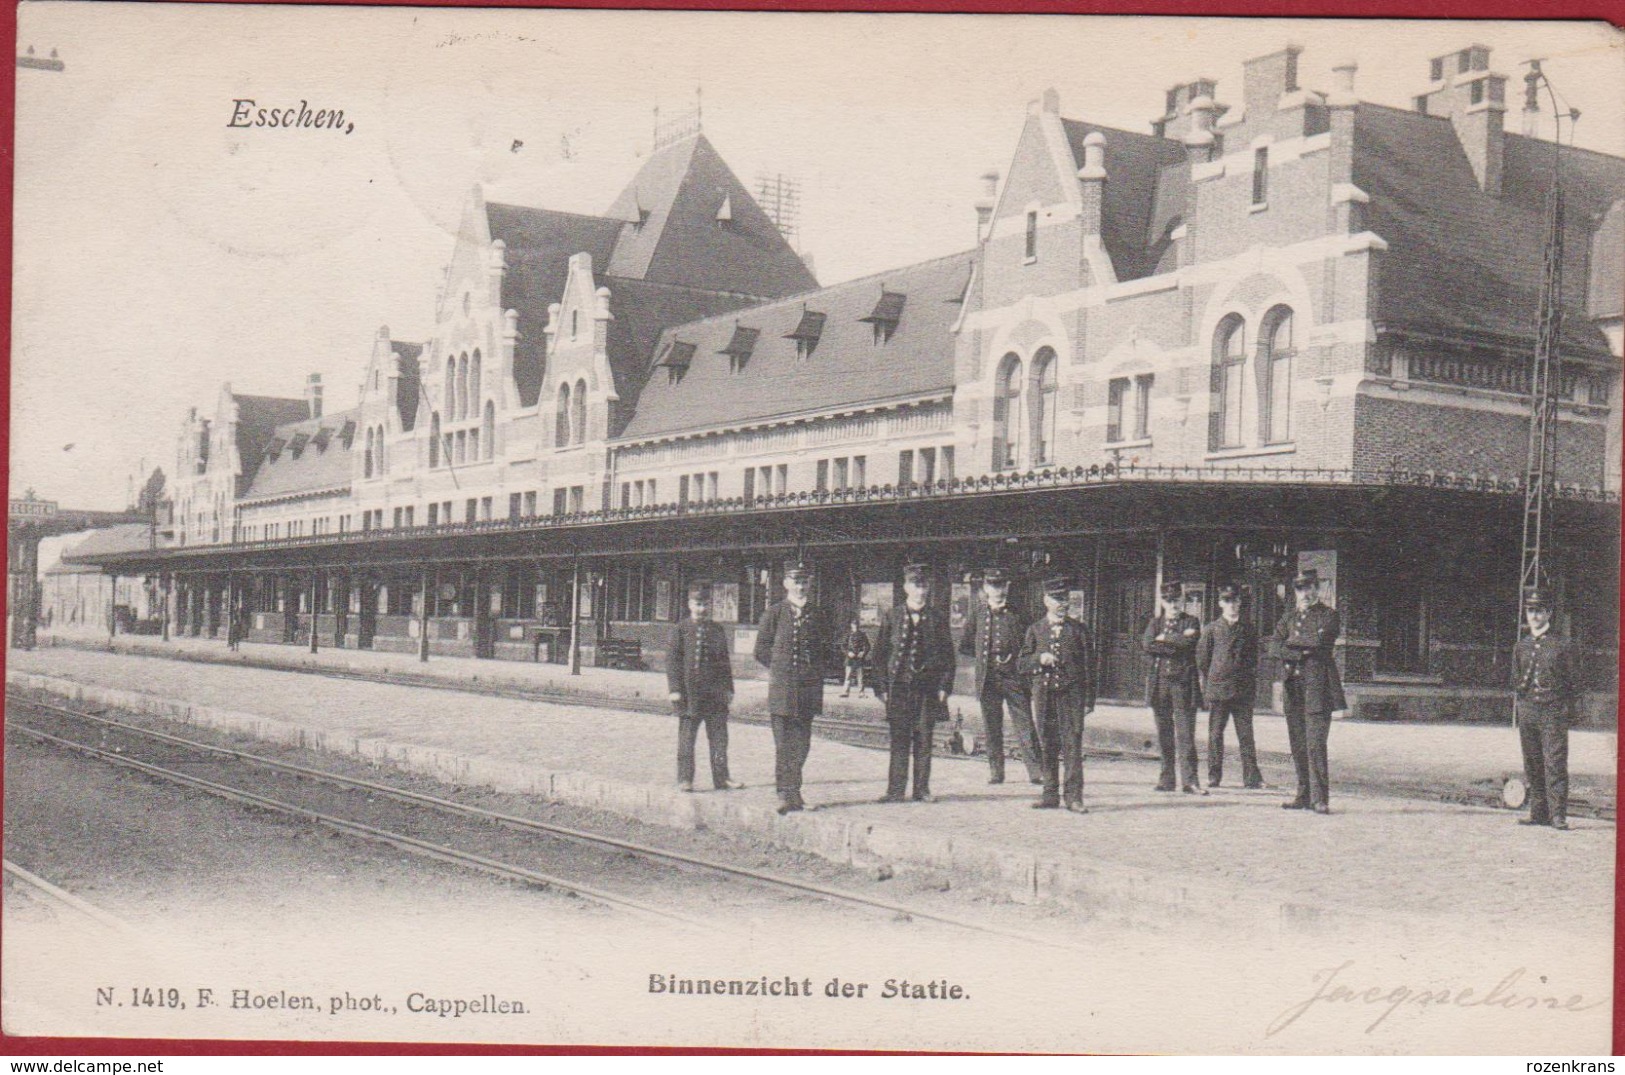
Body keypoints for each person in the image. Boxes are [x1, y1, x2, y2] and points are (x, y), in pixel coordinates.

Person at [871, 563, 956, 803]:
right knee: (899, 738)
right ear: (907, 587)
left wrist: (944, 687)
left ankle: (922, 789)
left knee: (924, 739)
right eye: (916, 585)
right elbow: (879, 655)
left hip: (927, 689)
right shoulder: (892, 616)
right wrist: (881, 688)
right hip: (899, 688)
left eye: (924, 586)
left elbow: (948, 656)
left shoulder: (937, 618)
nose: (920, 591)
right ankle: (895, 790)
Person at [753, 560, 826, 815]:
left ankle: (794, 791)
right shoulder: (774, 613)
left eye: (805, 581)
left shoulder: (817, 614)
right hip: (783, 690)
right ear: (785, 583)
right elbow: (760, 650)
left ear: (810, 583)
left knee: (802, 744)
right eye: (796, 581)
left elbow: (825, 650)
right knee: (784, 745)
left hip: (808, 690)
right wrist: (781, 670)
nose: (801, 586)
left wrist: (814, 674)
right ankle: (785, 794)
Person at [1270, 568, 1346, 814]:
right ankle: (1303, 794)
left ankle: (1320, 798)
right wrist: (1298, 649)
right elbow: (1274, 646)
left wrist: (1291, 645)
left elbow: (1320, 643)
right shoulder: (1289, 617)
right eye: (1300, 588)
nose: (1305, 593)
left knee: (1315, 744)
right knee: (1298, 744)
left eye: (1309, 587)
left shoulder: (1329, 616)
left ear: (1318, 589)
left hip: (1319, 687)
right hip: (1294, 687)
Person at [959, 566, 1042, 785]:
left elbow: (1031, 642)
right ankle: (996, 772)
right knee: (991, 726)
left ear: (1008, 586)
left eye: (1002, 585)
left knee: (1024, 724)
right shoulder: (977, 612)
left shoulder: (1019, 612)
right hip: (988, 678)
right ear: (986, 587)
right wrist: (986, 661)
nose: (998, 590)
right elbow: (966, 645)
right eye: (993, 586)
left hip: (1014, 676)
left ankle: (1036, 772)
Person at [1018, 576, 1095, 812]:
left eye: (1065, 599)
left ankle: (1073, 797)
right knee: (1047, 744)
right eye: (1057, 599)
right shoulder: (1035, 629)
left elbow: (1090, 667)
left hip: (1071, 697)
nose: (1062, 604)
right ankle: (1049, 795)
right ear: (1046, 601)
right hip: (1045, 697)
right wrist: (1039, 660)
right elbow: (1022, 664)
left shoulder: (1079, 630)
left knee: (1072, 744)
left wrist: (1089, 700)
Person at [1511, 588, 1579, 831]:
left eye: (1539, 611)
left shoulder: (1561, 646)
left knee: (1555, 762)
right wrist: (1523, 706)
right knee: (1532, 761)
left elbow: (1572, 682)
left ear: (1549, 613)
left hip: (1553, 711)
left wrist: (1563, 710)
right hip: (1528, 710)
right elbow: (1516, 680)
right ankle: (1537, 812)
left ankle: (1557, 815)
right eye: (1531, 611)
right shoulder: (1522, 646)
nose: (1535, 615)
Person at [667, 580, 743, 793]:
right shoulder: (680, 629)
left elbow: (724, 663)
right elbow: (672, 662)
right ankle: (685, 779)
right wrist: (674, 689)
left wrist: (729, 689)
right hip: (689, 695)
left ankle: (722, 778)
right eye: (697, 604)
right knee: (687, 739)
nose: (701, 609)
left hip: (715, 696)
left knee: (719, 739)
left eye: (705, 605)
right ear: (690, 604)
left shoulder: (717, 629)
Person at [1196, 584, 1263, 789]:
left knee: (1245, 734)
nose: (1232, 605)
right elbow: (1203, 660)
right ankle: (1214, 775)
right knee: (1215, 734)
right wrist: (1213, 679)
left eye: (1235, 601)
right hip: (1219, 688)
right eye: (1227, 601)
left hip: (1242, 689)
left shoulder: (1248, 629)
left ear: (1240, 603)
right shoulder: (1211, 629)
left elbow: (1253, 658)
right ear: (1220, 604)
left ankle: (1251, 777)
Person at [1143, 580, 1204, 794]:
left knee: (1186, 734)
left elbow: (1190, 643)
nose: (1173, 604)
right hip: (1160, 685)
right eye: (1168, 600)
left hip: (1183, 685)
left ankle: (1190, 781)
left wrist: (1164, 640)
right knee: (1164, 734)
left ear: (1182, 600)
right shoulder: (1155, 623)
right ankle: (1166, 779)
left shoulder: (1192, 621)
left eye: (1176, 600)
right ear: (1162, 602)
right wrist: (1175, 641)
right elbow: (1148, 645)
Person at [839, 616, 871, 698]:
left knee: (860, 677)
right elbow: (843, 646)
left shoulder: (862, 635)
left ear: (858, 626)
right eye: (854, 625)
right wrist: (848, 653)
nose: (855, 626)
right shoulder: (848, 635)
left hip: (859, 659)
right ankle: (845, 692)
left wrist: (863, 652)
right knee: (848, 676)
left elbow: (867, 646)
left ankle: (861, 693)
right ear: (851, 625)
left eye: (856, 625)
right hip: (850, 658)